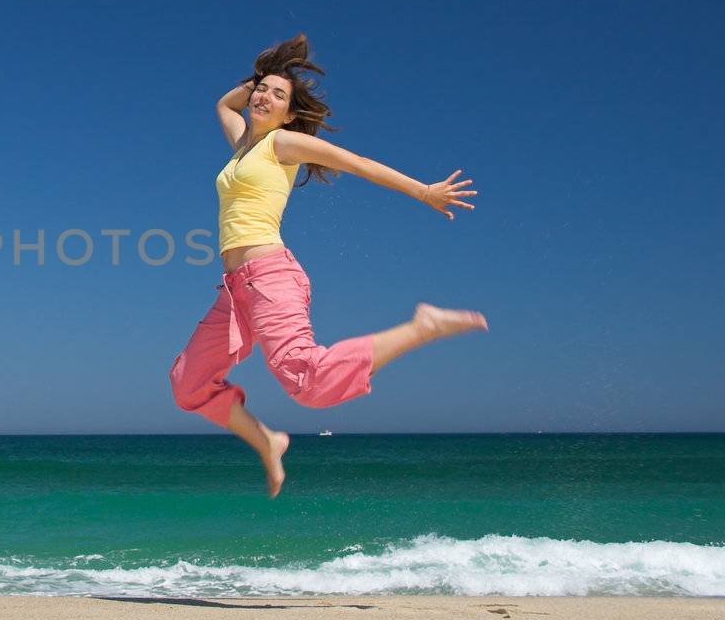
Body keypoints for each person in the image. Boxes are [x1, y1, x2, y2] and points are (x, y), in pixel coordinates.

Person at [168, 35, 487, 498]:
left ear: (290, 115)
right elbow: (224, 103)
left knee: (307, 382)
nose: (263, 97)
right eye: (261, 90)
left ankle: (423, 326)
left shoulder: (283, 143)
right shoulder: (241, 145)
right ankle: (268, 442)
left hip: (271, 276)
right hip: (236, 290)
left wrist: (423, 191)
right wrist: (264, 81)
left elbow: (355, 163)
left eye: (279, 96)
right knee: (187, 384)